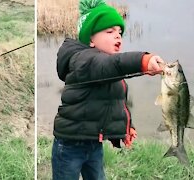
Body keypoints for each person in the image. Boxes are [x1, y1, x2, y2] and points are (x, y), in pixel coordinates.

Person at [52, 0, 164, 179]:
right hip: (69, 144)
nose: (117, 36)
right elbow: (114, 64)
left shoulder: (107, 66)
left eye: (120, 32)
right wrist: (143, 61)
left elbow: (115, 102)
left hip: (94, 143)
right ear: (90, 39)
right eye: (110, 31)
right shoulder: (84, 61)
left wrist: (127, 127)